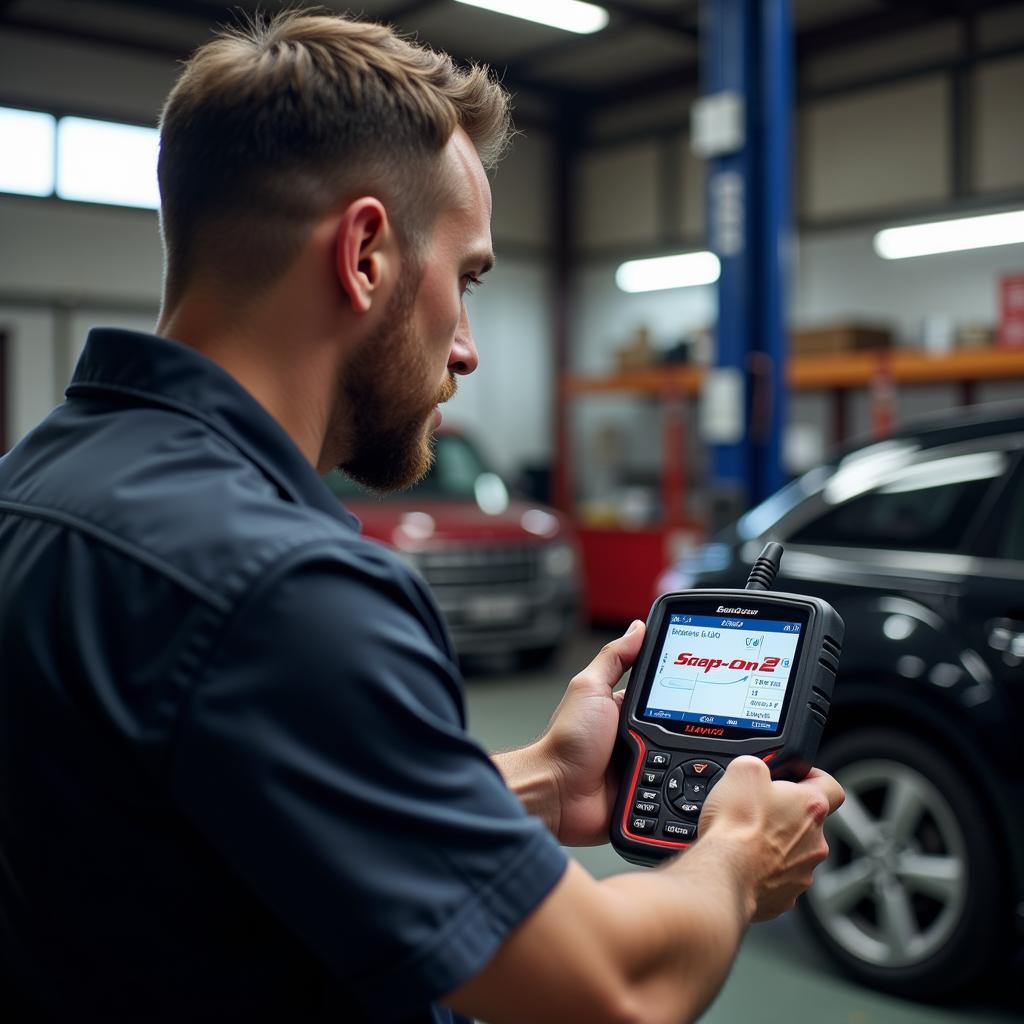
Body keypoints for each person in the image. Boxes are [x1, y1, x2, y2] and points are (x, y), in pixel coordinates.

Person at [0, 10, 843, 1024]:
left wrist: (537, 778)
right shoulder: (285, 587)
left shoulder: (31, 491)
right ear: (364, 255)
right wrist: (738, 857)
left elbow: (210, 807)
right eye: (468, 278)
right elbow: (615, 985)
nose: (468, 348)